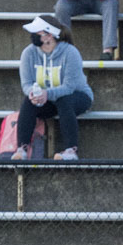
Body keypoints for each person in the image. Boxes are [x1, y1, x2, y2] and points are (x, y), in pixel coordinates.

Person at [13, 17, 92, 161]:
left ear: (49, 35)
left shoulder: (71, 53)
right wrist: (33, 94)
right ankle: (22, 149)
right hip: (47, 100)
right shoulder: (28, 53)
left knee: (64, 100)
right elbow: (26, 83)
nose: (32, 35)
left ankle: (71, 151)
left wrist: (46, 94)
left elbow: (69, 87)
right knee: (28, 101)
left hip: (77, 96)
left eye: (37, 32)